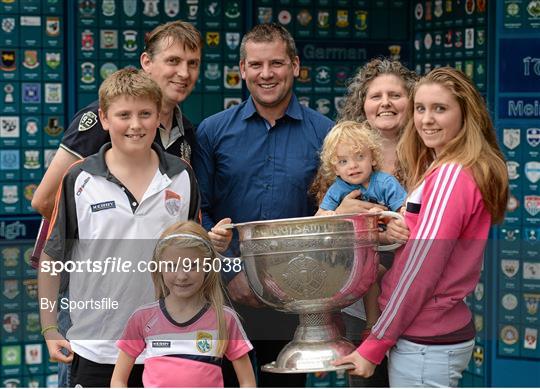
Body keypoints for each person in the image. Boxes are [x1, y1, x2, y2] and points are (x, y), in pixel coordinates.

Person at [31, 21, 203, 386]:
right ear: (147, 62)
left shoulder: (186, 132)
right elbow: (46, 199)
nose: (183, 73)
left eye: (192, 63)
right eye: (173, 60)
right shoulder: (101, 118)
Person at [334, 67, 508, 387]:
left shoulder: (452, 174)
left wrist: (375, 345)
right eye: (421, 109)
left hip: (425, 341)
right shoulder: (446, 167)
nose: (426, 119)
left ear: (465, 114)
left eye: (440, 109)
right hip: (426, 337)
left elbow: (420, 270)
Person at [192, 23, 334, 387]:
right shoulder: (213, 131)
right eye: (255, 65)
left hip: (293, 298)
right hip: (225, 297)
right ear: (242, 69)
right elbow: (200, 212)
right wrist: (230, 271)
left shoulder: (326, 134)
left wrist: (295, 280)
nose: (266, 74)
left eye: (277, 63)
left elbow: (330, 218)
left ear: (295, 66)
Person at [310, 59, 418, 387]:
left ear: (411, 101)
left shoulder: (430, 156)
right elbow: (320, 224)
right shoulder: (344, 162)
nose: (385, 102)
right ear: (363, 104)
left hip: (415, 299)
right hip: (362, 302)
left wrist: (388, 231)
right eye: (375, 96)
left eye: (395, 95)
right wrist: (343, 211)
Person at [111, 221, 256, 388]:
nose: (181, 276)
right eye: (172, 266)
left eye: (192, 265)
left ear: (207, 266)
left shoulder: (225, 319)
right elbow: (118, 380)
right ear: (159, 267)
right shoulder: (142, 318)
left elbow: (247, 382)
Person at [314, 120, 406, 217]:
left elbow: (404, 213)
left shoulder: (386, 183)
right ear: (335, 169)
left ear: (373, 158)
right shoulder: (336, 189)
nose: (353, 165)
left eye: (360, 157)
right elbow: (318, 217)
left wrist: (386, 215)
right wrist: (330, 214)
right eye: (343, 161)